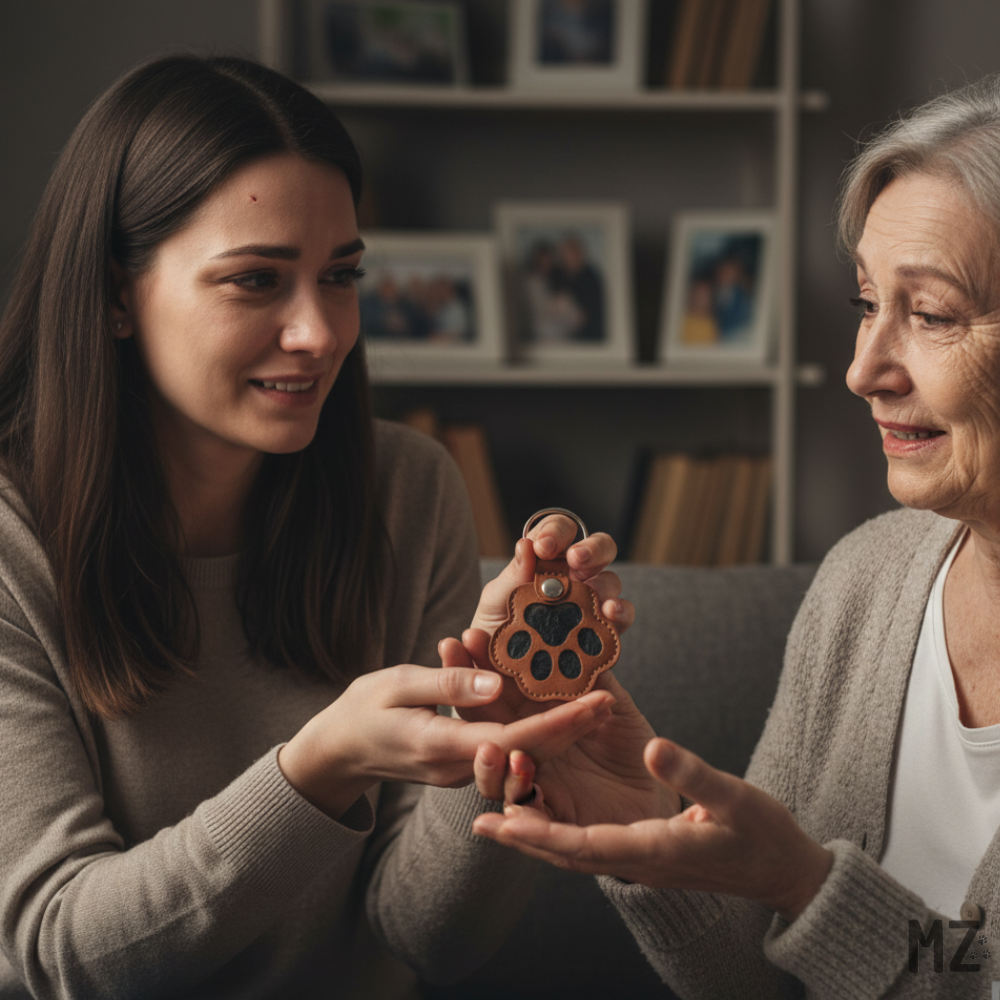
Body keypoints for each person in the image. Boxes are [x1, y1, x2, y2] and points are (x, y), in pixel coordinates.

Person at [0, 54, 634, 999]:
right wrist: (316, 769)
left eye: (340, 275)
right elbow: (58, 951)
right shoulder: (13, 543)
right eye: (256, 280)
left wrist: (497, 739)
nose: (323, 333)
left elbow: (427, 941)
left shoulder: (406, 489)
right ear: (113, 294)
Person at [469, 74, 1000, 998]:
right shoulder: (865, 580)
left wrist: (809, 888)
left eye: (930, 314)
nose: (863, 369)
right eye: (867, 304)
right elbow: (758, 981)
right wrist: (654, 835)